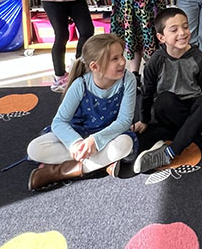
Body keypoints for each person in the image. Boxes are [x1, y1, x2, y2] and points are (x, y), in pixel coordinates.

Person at [26, 34, 137, 190]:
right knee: (35, 148)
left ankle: (59, 172)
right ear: (94, 67)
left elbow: (124, 121)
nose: (122, 62)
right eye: (114, 59)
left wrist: (95, 141)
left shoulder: (128, 79)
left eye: (122, 55)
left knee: (125, 144)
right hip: (78, 133)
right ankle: (101, 164)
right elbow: (59, 122)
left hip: (108, 135)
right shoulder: (81, 84)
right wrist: (75, 143)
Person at [130, 8, 202, 173]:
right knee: (164, 100)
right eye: (174, 30)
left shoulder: (197, 55)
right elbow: (147, 93)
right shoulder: (155, 61)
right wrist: (144, 119)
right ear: (161, 38)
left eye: (185, 26)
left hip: (193, 105)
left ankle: (170, 152)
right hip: (169, 109)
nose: (182, 33)